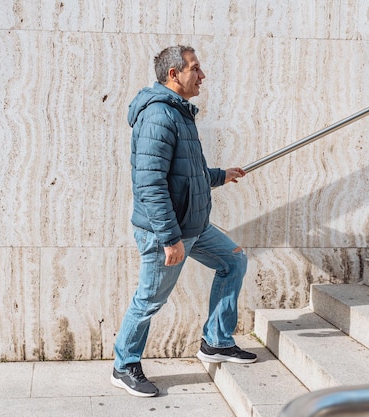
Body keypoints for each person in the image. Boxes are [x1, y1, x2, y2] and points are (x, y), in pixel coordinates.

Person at [111, 45, 257, 398]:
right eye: (195, 69)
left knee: (233, 259)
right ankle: (124, 364)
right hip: (170, 231)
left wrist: (222, 175)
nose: (202, 75)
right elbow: (149, 182)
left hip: (194, 226)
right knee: (149, 299)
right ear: (174, 75)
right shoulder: (159, 115)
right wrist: (169, 238)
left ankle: (216, 341)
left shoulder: (179, 113)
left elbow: (187, 172)